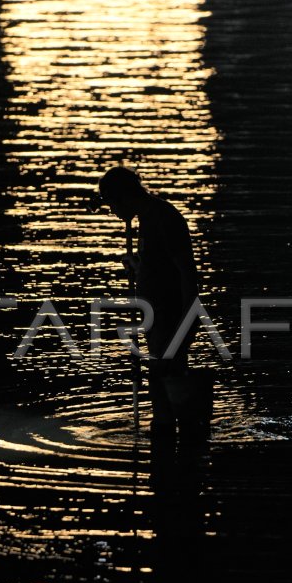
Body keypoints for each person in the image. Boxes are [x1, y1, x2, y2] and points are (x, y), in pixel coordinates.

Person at [95, 166, 200, 443]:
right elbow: (160, 268)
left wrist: (188, 323)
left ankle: (178, 450)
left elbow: (187, 272)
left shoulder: (162, 218)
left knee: (166, 383)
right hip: (157, 317)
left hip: (171, 316)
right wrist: (138, 268)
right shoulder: (147, 218)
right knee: (163, 386)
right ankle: (170, 457)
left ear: (122, 197)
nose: (113, 212)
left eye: (112, 205)